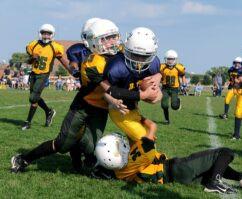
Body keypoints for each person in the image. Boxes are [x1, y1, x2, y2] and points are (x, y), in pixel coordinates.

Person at [11, 20, 158, 174]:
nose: (113, 42)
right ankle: (24, 158)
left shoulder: (123, 55)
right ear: (93, 42)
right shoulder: (93, 63)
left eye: (114, 37)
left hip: (101, 110)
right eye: (106, 38)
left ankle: (80, 154)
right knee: (62, 144)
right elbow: (112, 91)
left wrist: (152, 82)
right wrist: (142, 94)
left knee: (91, 147)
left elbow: (145, 66)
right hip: (83, 105)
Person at [95, 123, 242, 195]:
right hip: (176, 167)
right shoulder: (140, 154)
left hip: (177, 178)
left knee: (212, 167)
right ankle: (214, 183)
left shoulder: (119, 172)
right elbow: (151, 128)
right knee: (225, 153)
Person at [21, 23, 70, 130]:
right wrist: (32, 58)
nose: (46, 36)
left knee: (33, 97)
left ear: (52, 35)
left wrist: (70, 69)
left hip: (44, 74)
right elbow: (29, 61)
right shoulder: (33, 44)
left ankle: (28, 122)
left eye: (48, 34)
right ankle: (48, 112)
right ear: (40, 33)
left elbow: (61, 59)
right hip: (33, 73)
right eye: (44, 33)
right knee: (35, 98)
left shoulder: (55, 46)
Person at [160, 50, 186, 124]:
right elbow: (158, 75)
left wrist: (184, 85)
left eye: (172, 59)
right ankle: (166, 119)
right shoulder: (162, 67)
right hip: (165, 88)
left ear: (175, 59)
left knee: (174, 107)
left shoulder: (179, 67)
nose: (170, 61)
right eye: (168, 59)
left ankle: (178, 101)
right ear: (165, 59)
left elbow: (183, 75)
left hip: (174, 89)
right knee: (164, 105)